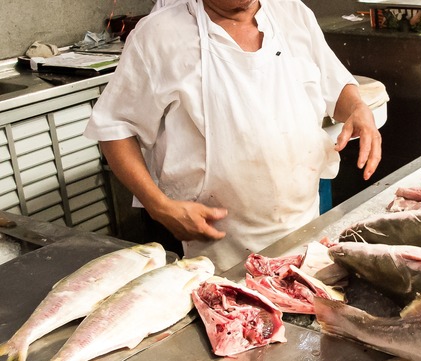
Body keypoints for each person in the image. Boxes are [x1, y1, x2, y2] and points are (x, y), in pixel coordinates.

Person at [84, 0, 382, 272]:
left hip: (304, 227)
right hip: (213, 247)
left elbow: (336, 82)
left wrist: (357, 109)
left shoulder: (292, 13)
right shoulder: (159, 35)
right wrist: (159, 207)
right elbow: (114, 128)